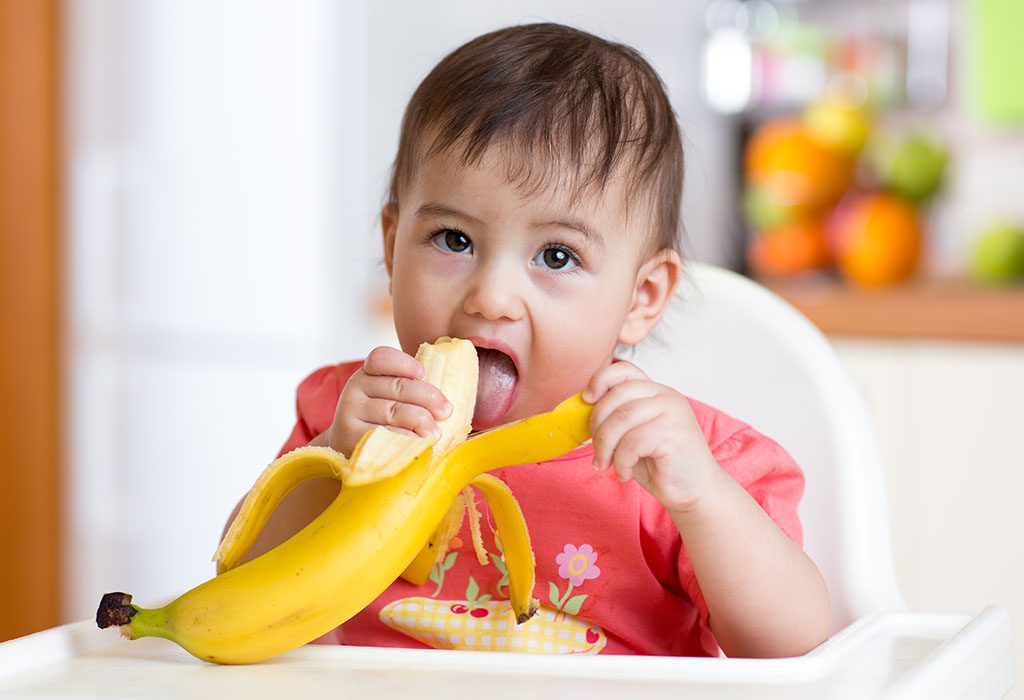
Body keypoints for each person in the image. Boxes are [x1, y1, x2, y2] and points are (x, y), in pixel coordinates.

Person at [224, 22, 829, 658]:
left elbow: (790, 644)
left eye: (557, 256)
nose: (490, 297)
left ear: (641, 297)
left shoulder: (680, 459)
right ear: (391, 246)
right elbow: (240, 587)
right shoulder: (349, 415)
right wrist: (337, 459)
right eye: (454, 240)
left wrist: (701, 498)